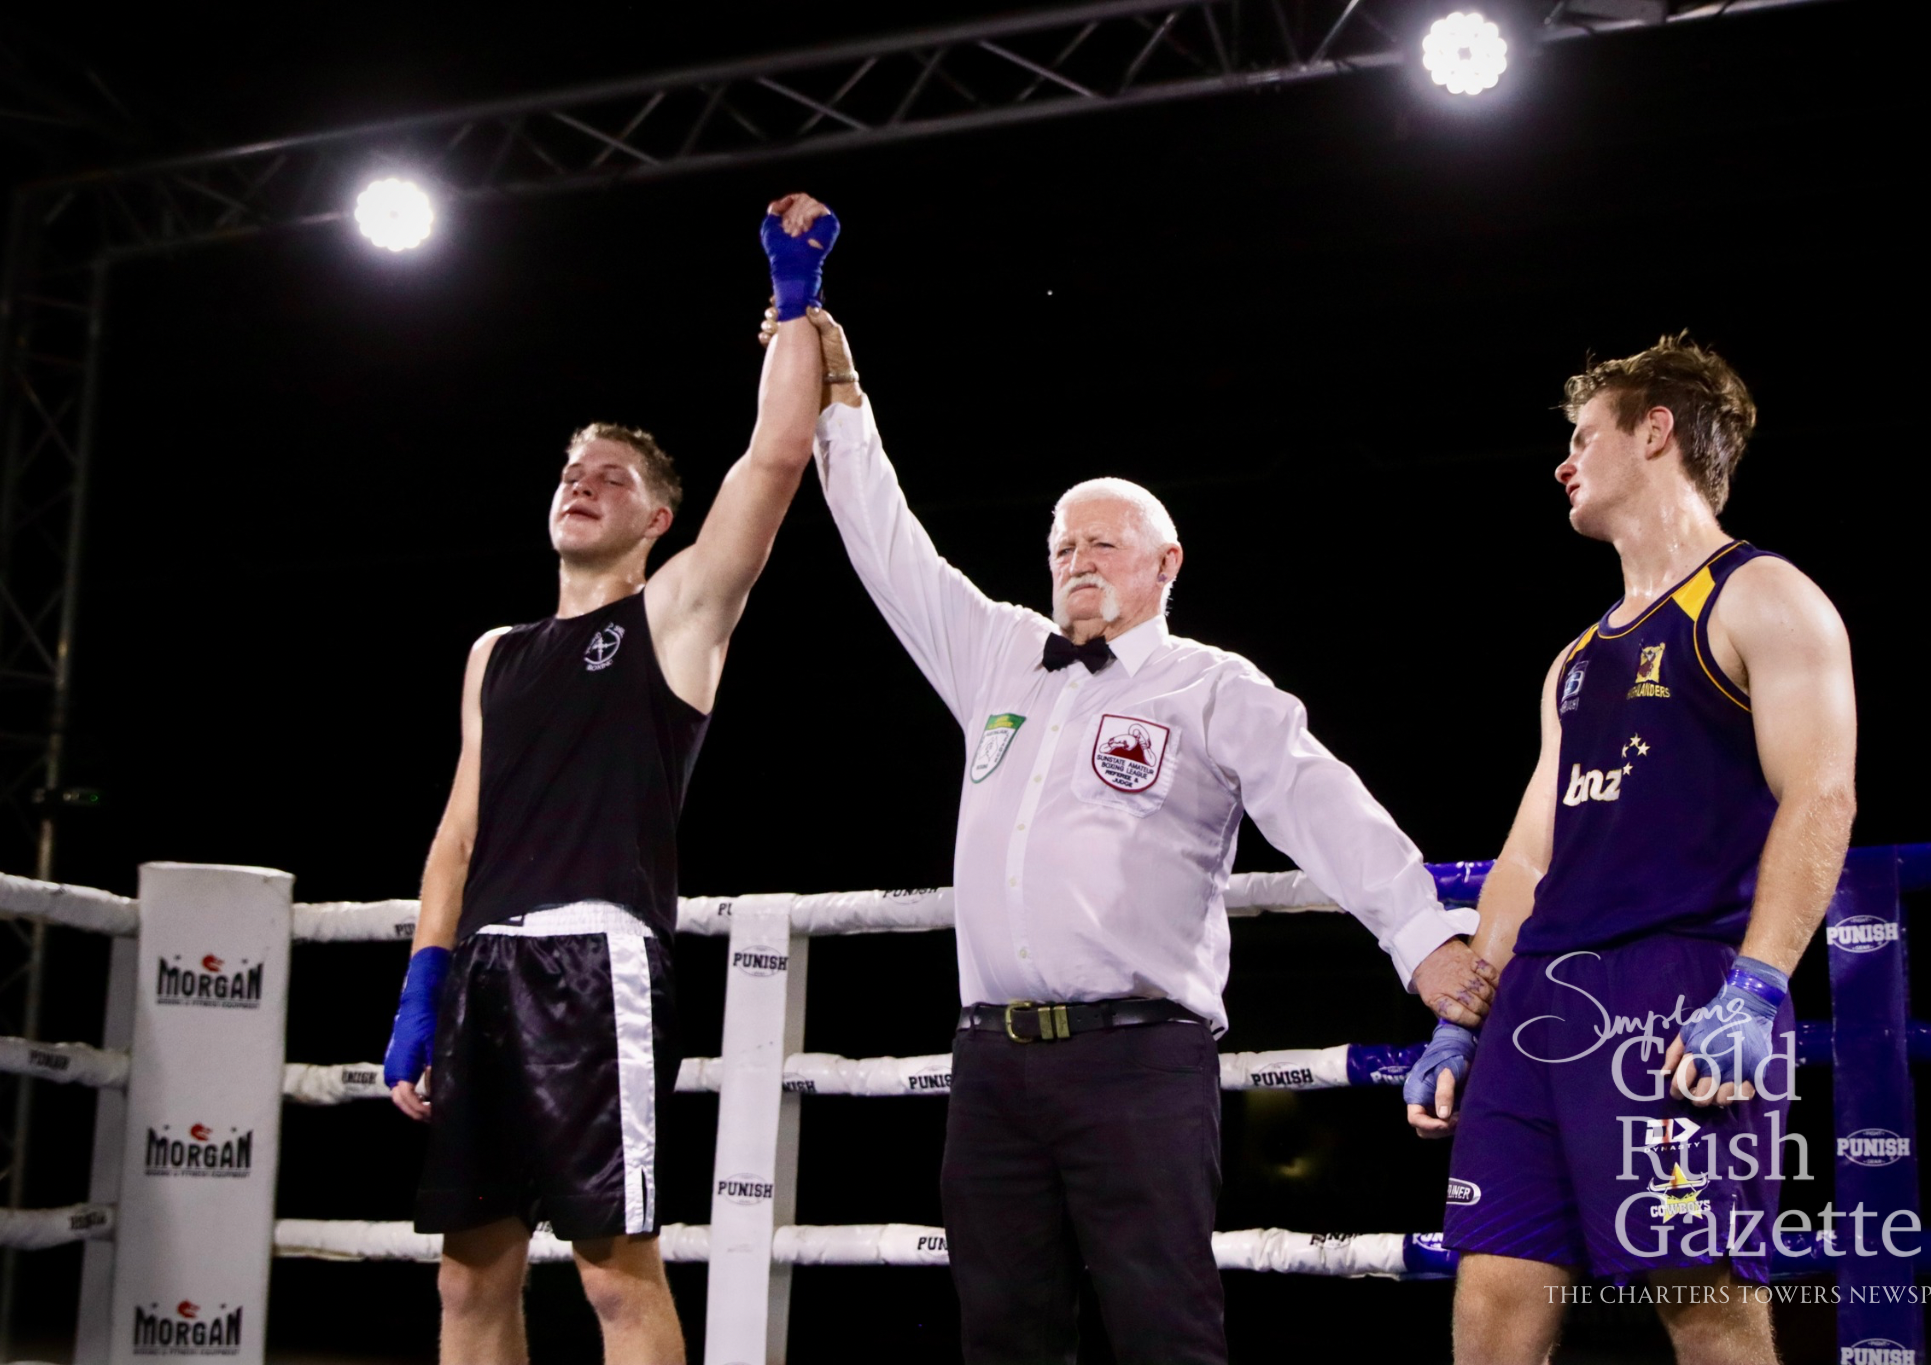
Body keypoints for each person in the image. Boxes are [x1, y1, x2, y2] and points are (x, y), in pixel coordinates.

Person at [765, 306, 1497, 1365]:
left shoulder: (1207, 684)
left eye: (1103, 541)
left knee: (1162, 1330)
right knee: (1004, 1334)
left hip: (1140, 1060)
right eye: (1062, 544)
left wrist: (1420, 939)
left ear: (1166, 564)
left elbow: (1321, 804)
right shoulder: (996, 654)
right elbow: (886, 542)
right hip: (990, 1062)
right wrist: (840, 400)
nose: (1077, 558)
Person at [379, 192, 839, 1363]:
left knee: (613, 1278)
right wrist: (422, 990)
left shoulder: (675, 617)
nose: (581, 481)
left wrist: (794, 304)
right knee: (467, 1278)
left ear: (659, 518)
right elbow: (455, 836)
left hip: (598, 964)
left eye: (613, 474)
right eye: (571, 468)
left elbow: (778, 455)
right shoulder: (495, 655)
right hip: (483, 968)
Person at [1406, 336, 1857, 1364]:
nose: (1563, 462)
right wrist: (1465, 1018)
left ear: (1653, 432)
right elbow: (1526, 856)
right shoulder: (1575, 657)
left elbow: (1821, 794)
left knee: (1704, 1309)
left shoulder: (1759, 594)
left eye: (1582, 436)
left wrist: (1754, 989)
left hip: (1679, 983)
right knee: (1491, 1300)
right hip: (1537, 1002)